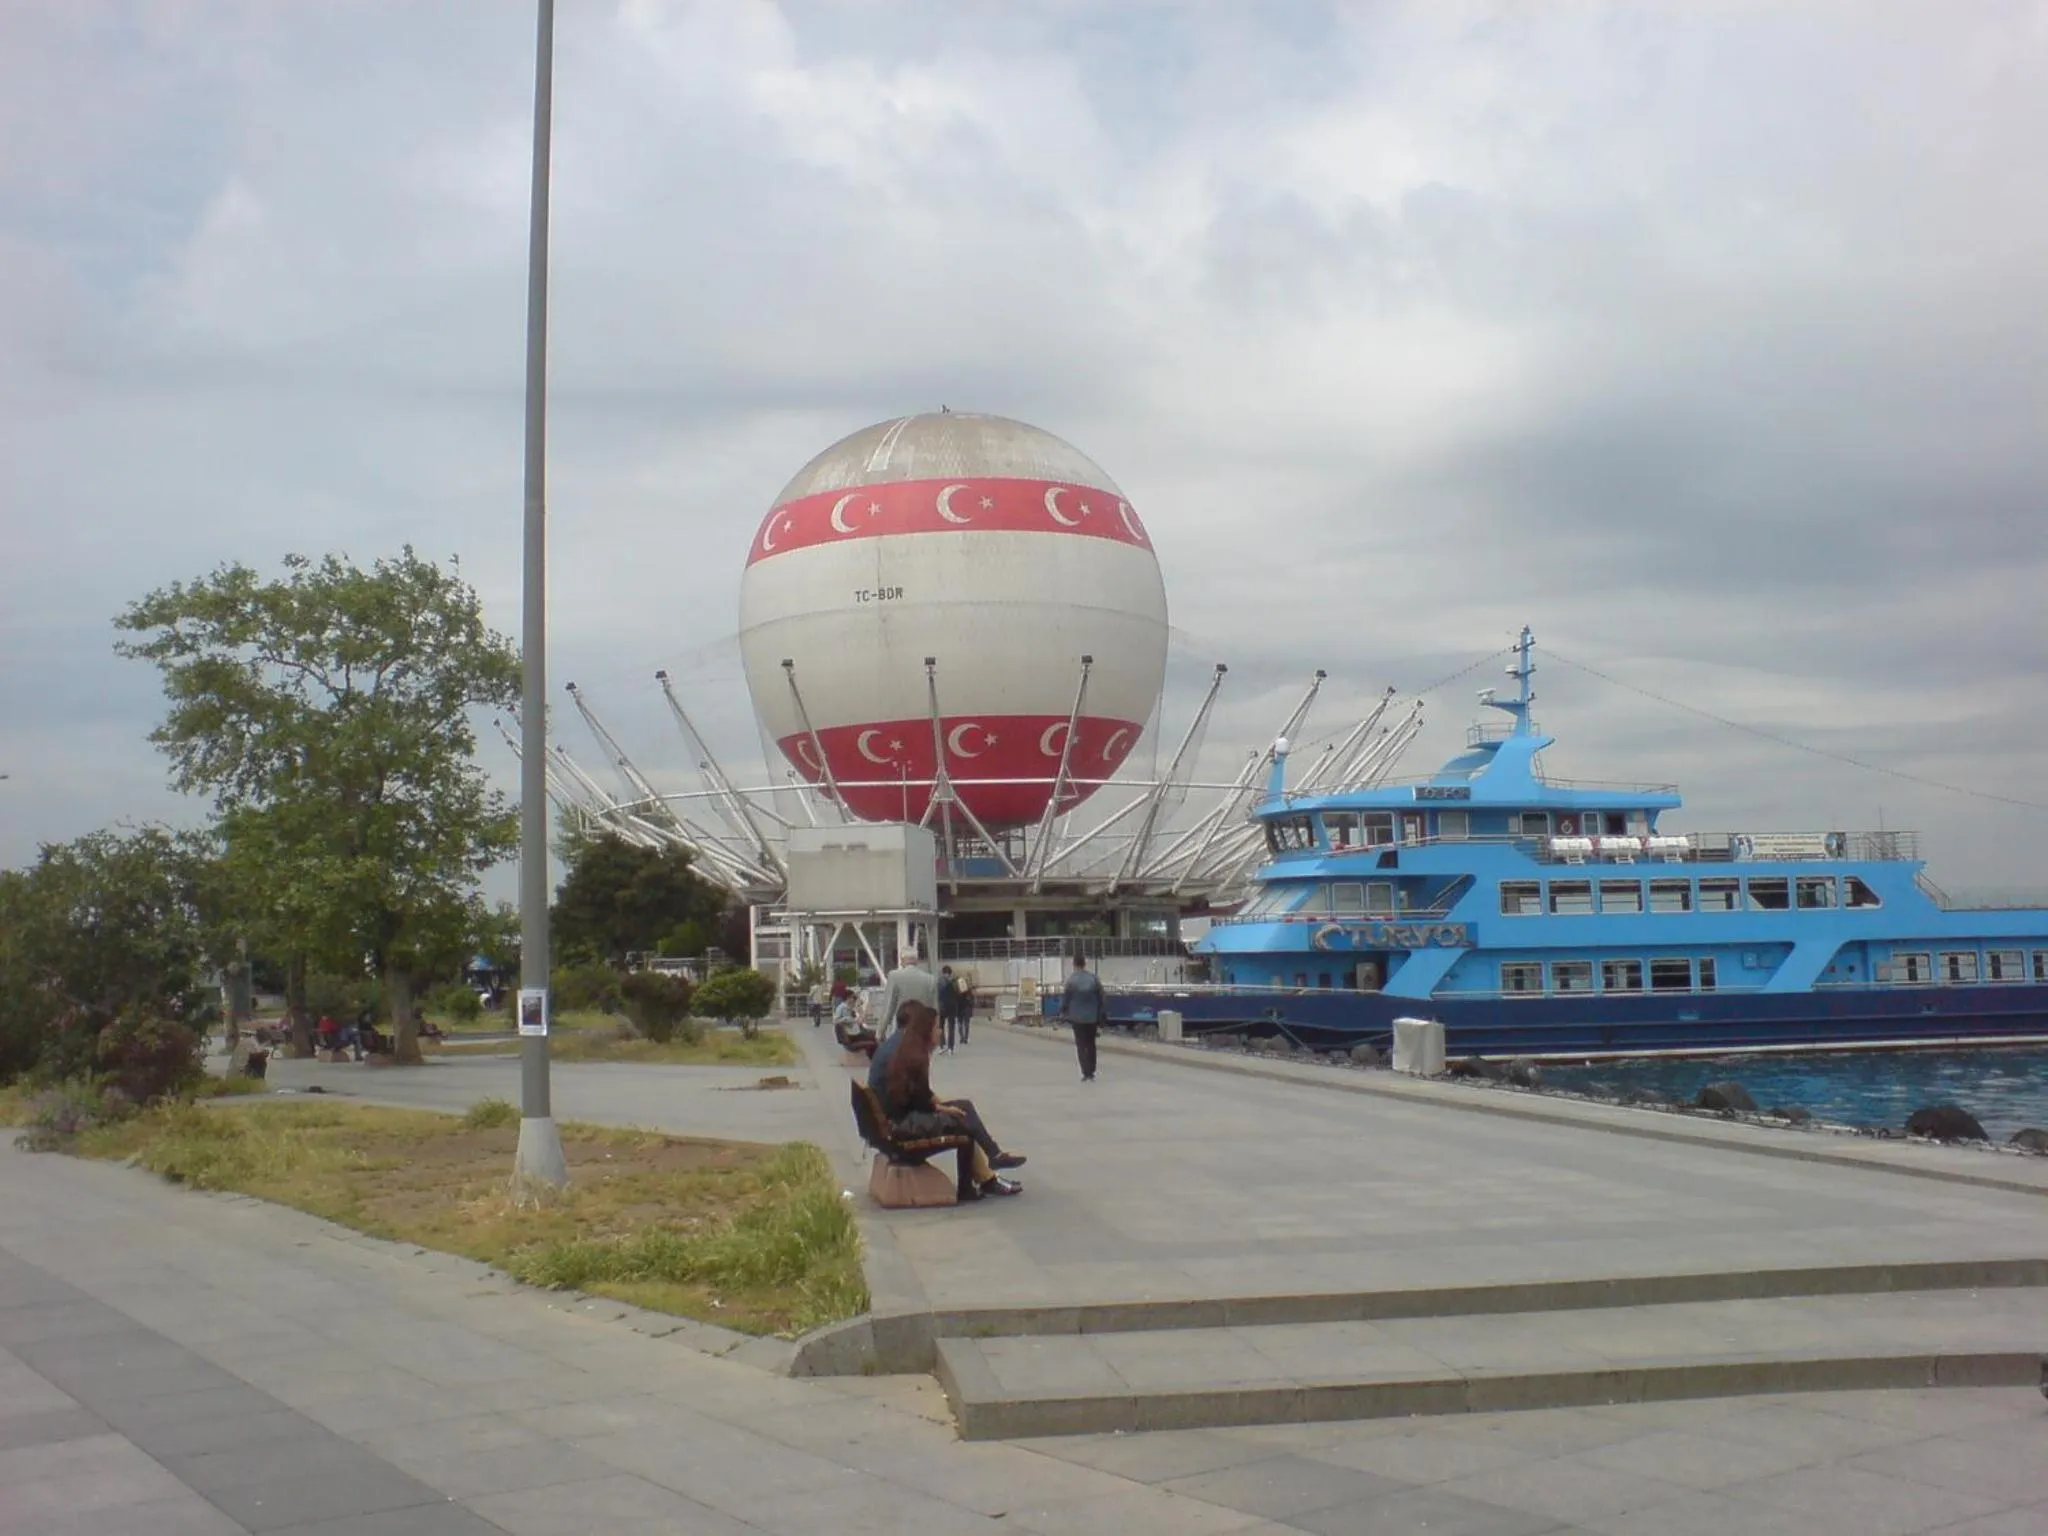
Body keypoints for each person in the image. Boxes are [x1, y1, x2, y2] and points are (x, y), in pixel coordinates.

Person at [870, 972, 1022, 1200]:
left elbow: (912, 1092)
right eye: (937, 1027)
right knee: (963, 1118)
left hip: (888, 1123)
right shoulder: (908, 1053)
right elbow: (914, 1097)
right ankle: (980, 1178)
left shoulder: (896, 1046)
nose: (940, 1031)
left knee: (963, 1109)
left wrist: (938, 1105)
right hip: (901, 1127)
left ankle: (989, 1166)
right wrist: (939, 1108)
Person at [1061, 953, 1106, 1082]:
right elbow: (1102, 997)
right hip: (1092, 1017)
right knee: (1091, 1044)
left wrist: (1063, 1012)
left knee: (1081, 1045)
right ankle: (1091, 1071)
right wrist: (1101, 1015)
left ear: (1074, 964)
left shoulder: (1071, 980)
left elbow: (1066, 998)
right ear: (1085, 963)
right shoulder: (1093, 978)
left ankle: (1085, 1072)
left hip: (1077, 1018)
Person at [877, 947, 936, 1038]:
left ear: (902, 960)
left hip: (902, 1030)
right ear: (916, 960)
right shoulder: (930, 979)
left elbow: (888, 1007)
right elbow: (934, 1009)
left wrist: (880, 1032)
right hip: (923, 1031)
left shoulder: (894, 976)